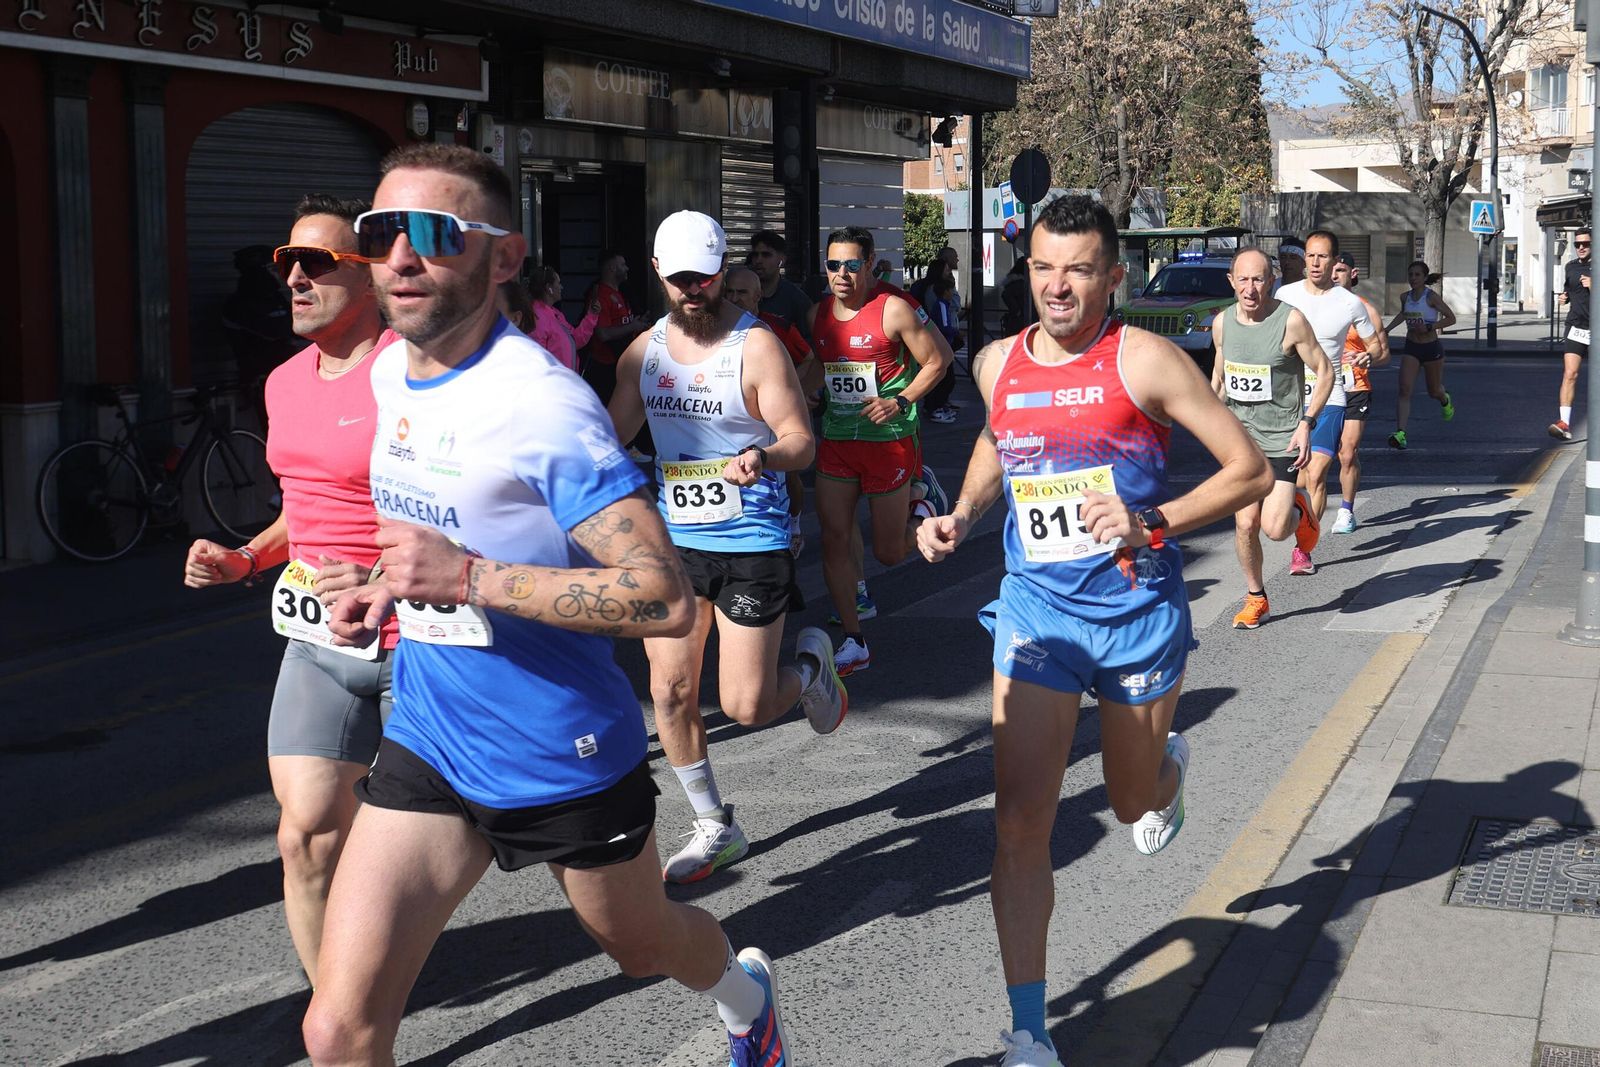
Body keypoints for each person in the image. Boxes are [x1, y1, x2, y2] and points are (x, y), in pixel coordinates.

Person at [307, 144, 789, 1066]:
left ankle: (743, 989)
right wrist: (381, 584)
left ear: (502, 256)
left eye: (435, 235)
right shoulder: (386, 372)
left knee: (641, 944)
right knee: (336, 1028)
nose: (401, 258)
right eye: (381, 234)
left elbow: (664, 597)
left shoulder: (542, 405)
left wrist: (470, 579)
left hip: (561, 751)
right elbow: (422, 523)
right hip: (433, 734)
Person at [916, 196, 1272, 1066]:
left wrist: (1153, 522)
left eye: (1078, 268)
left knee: (1127, 800)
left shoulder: (1143, 360)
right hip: (1038, 613)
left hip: (1135, 614)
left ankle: (1163, 772)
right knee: (1019, 820)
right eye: (1043, 267)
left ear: (1114, 276)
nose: (1058, 285)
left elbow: (1250, 469)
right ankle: (1030, 1029)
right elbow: (1002, 442)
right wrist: (963, 511)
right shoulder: (997, 361)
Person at [183, 194, 395, 988]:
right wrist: (245, 557)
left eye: (318, 264)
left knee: (438, 839)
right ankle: (338, 1018)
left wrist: (388, 570)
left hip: (426, 640)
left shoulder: (415, 376)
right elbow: (300, 510)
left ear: (371, 275)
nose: (296, 279)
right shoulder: (282, 383)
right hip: (321, 642)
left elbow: (477, 501)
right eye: (287, 264)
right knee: (305, 836)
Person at [608, 213, 845, 885]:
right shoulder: (643, 354)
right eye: (680, 278)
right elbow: (605, 437)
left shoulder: (757, 347)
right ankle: (715, 822)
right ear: (659, 273)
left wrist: (762, 454)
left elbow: (801, 440)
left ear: (720, 273)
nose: (693, 290)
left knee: (745, 704)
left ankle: (809, 670)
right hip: (675, 543)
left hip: (751, 538)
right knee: (671, 688)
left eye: (704, 278)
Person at [807, 225, 954, 675]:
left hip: (887, 443)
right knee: (834, 538)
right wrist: (798, 398)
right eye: (834, 265)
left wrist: (901, 400)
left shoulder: (894, 309)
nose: (842, 274)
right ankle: (854, 639)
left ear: (870, 264)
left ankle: (925, 506)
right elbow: (819, 366)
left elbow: (939, 359)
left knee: (889, 553)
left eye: (852, 265)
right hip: (837, 442)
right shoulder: (819, 314)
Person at [1210, 248, 1333, 630]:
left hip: (1283, 438)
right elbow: (1220, 379)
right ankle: (1256, 598)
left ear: (1272, 281)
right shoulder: (1222, 324)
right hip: (1241, 443)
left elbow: (1326, 371)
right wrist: (1211, 425)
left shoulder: (1290, 322)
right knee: (1245, 524)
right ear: (1231, 281)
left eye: (1259, 279)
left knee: (1276, 529)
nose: (1250, 288)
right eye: (1243, 279)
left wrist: (1306, 422)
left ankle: (1299, 510)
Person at [1275, 230, 1383, 576]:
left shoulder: (1349, 303)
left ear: (1336, 262)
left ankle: (1302, 550)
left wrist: (1369, 356)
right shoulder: (1285, 295)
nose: (1315, 263)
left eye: (1322, 257)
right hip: (1289, 395)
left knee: (1317, 472)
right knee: (1299, 476)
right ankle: (1294, 511)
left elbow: (1378, 346)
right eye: (1310, 256)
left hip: (1331, 395)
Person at [726, 265, 821, 557]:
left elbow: (810, 358)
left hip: (776, 420)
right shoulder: (707, 332)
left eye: (742, 293)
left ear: (757, 297)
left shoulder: (773, 330)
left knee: (787, 475)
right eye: (729, 292)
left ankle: (791, 527)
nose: (734, 298)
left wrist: (798, 390)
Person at [1331, 253, 1391, 533]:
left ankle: (1346, 511)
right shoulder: (1315, 308)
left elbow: (1384, 355)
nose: (1334, 275)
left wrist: (1368, 358)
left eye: (1340, 270)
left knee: (1347, 452)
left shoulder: (1366, 310)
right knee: (1315, 458)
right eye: (1332, 269)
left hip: (1356, 387)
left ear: (1352, 273)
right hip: (1321, 387)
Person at [1385, 259, 1456, 449]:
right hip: (1412, 347)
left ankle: (1444, 399)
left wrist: (1430, 326)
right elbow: (1404, 314)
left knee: (1434, 391)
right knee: (1404, 389)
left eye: (1417, 275)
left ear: (1424, 278)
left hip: (1431, 348)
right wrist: (1387, 329)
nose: (1413, 278)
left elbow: (1451, 319)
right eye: (1411, 275)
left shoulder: (1431, 297)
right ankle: (1401, 433)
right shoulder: (1404, 297)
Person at [579, 249, 649, 402]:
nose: (627, 268)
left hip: (622, 363)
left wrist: (637, 323)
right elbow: (603, 334)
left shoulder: (621, 292)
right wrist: (633, 326)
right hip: (605, 367)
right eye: (623, 264)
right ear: (612, 268)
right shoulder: (600, 295)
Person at [1551, 228, 1591, 440]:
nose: (1581, 248)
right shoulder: (1571, 266)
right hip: (1576, 326)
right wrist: (1564, 298)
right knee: (1570, 374)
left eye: (1585, 244)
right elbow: (1569, 290)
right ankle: (1564, 422)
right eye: (1577, 244)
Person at [528, 264, 597, 372]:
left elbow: (576, 340)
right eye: (558, 283)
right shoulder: (537, 317)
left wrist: (592, 315)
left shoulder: (555, 314)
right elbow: (536, 360)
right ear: (548, 288)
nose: (561, 287)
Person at [750, 229, 813, 337]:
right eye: (755, 255)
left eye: (766, 255)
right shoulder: (740, 293)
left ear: (782, 260)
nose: (758, 260)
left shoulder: (796, 299)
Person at [923, 263, 964, 424]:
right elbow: (944, 326)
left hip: (942, 345)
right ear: (946, 292)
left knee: (944, 379)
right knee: (946, 380)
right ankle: (937, 408)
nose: (951, 294)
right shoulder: (941, 306)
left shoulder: (942, 305)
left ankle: (936, 406)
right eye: (950, 292)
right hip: (942, 347)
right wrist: (956, 332)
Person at [1001, 257, 1030, 336]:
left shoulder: (1014, 282)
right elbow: (1006, 295)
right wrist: (1017, 311)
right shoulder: (1020, 284)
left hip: (1017, 323)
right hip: (1020, 324)